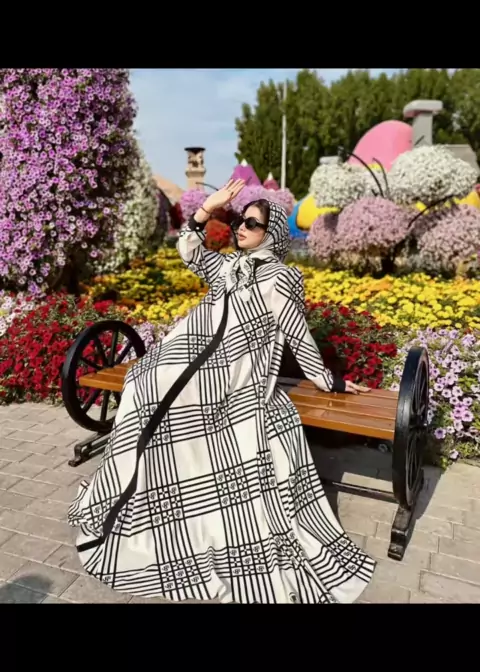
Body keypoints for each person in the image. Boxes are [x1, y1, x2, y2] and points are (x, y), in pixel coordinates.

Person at [68, 179, 376, 604]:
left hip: (233, 369)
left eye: (253, 224)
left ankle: (173, 497)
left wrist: (329, 380)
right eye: (240, 221)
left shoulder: (283, 278)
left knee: (168, 394)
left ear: (272, 233)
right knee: (142, 382)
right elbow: (189, 250)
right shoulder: (229, 265)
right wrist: (205, 211)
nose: (241, 228)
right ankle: (137, 490)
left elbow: (296, 334)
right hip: (189, 351)